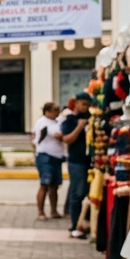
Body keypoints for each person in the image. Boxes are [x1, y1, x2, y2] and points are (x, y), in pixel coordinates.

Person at [59, 92, 93, 238]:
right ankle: (75, 225)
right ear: (76, 103)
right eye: (83, 104)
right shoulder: (70, 120)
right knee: (77, 193)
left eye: (87, 104)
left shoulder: (91, 118)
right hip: (76, 162)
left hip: (91, 162)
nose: (85, 107)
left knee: (88, 194)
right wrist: (79, 127)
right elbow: (67, 140)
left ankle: (85, 223)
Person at [32, 101, 65, 220]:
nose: (58, 112)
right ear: (47, 111)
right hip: (45, 155)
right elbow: (57, 135)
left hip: (56, 156)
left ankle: (54, 211)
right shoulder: (43, 122)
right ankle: (41, 212)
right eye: (55, 110)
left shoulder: (57, 121)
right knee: (44, 184)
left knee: (54, 185)